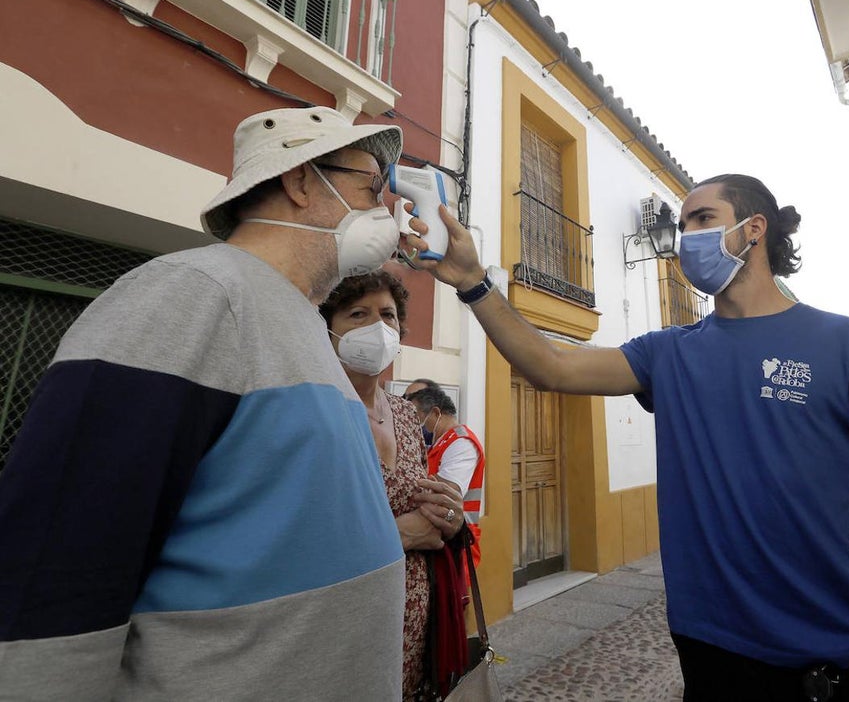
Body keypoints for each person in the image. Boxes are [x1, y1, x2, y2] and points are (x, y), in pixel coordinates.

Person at [411, 173, 849, 701]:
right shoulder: (668, 353)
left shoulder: (847, 345)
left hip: (836, 668)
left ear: (754, 229)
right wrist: (473, 282)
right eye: (681, 227)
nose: (686, 238)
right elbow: (553, 365)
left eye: (703, 218)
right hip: (709, 659)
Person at [0, 106, 417, 699]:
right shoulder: (192, 292)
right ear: (300, 180)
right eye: (373, 185)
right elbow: (57, 564)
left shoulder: (304, 323)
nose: (386, 209)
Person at [319, 269, 466, 700]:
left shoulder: (405, 413)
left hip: (414, 618)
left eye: (387, 315)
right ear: (329, 328)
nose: (376, 327)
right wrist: (401, 534)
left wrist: (449, 513)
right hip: (341, 623)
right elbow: (297, 536)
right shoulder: (314, 407)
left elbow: (423, 502)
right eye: (357, 314)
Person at [406, 385, 487, 563]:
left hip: (455, 547)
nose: (413, 427)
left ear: (435, 413)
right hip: (435, 544)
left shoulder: (461, 444)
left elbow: (443, 496)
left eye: (416, 419)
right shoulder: (438, 445)